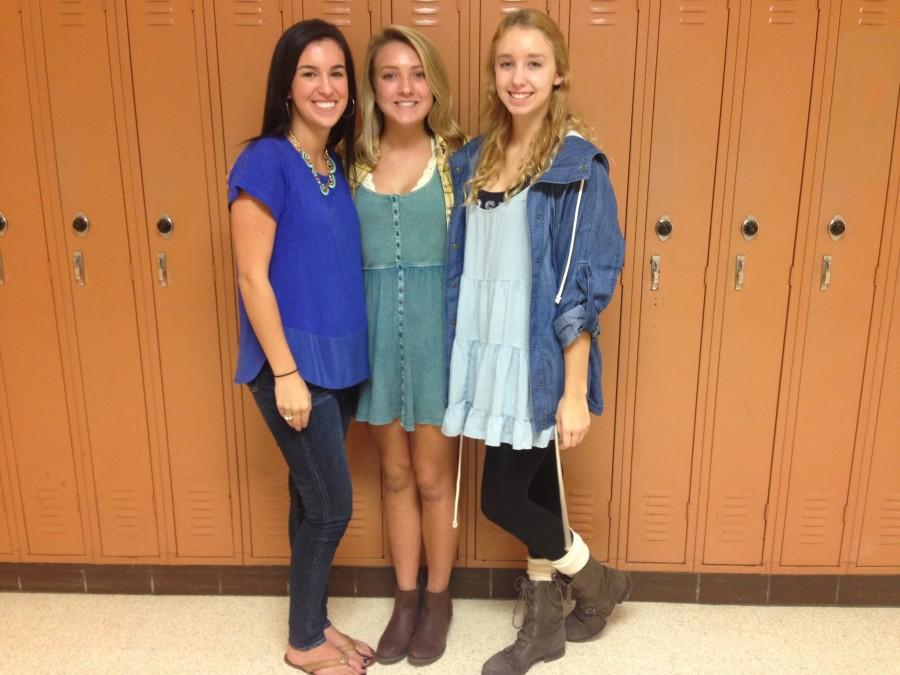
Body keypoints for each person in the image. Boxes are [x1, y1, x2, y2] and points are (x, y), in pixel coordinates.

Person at [440, 9, 629, 675]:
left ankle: (597, 578)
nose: (518, 78)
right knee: (538, 489)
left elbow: (582, 285)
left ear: (559, 75)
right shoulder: (475, 157)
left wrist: (574, 391)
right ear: (494, 75)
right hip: (485, 348)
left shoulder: (578, 166)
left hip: (537, 357)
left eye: (534, 64)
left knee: (501, 497)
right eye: (507, 64)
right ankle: (547, 624)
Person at [228, 19, 374, 675]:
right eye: (310, 72)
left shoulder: (333, 166)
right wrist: (285, 373)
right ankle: (304, 642)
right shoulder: (264, 159)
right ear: (287, 86)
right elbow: (250, 276)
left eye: (337, 72)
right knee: (331, 506)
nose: (326, 86)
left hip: (338, 365)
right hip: (292, 368)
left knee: (309, 498)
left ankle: (312, 620)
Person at [349, 25, 466, 667]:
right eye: (391, 74)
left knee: (430, 477)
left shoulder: (457, 161)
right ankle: (404, 598)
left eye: (417, 74)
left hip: (435, 342)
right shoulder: (353, 162)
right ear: (373, 87)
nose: (405, 87)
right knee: (393, 476)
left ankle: (440, 600)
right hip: (375, 344)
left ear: (433, 85)